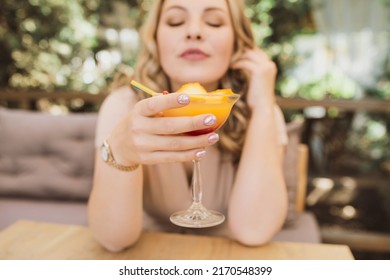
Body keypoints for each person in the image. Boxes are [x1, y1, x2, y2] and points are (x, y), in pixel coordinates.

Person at [88, 0, 288, 252]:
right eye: (176, 21)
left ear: (237, 43)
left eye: (214, 21)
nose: (194, 31)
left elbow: (254, 231)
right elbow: (112, 240)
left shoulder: (262, 110)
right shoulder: (124, 106)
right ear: (156, 40)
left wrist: (262, 106)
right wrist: (121, 152)